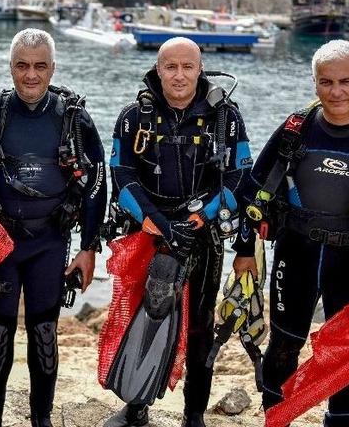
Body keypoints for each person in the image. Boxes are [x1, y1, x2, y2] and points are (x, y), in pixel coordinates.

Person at [233, 39, 349, 427]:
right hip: (295, 252)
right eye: (326, 82)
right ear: (315, 84)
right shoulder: (297, 128)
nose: (336, 91)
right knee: (283, 345)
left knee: (347, 354)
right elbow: (253, 190)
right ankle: (276, 419)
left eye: (346, 81)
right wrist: (244, 250)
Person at [0, 29, 106, 427]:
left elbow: (97, 182)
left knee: (44, 335)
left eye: (40, 66)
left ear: (53, 68)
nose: (31, 75)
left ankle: (42, 420)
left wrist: (88, 248)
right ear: (11, 68)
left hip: (50, 241)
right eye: (23, 65)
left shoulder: (73, 119)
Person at [104, 37, 252, 427]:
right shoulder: (133, 117)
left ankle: (194, 415)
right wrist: (160, 224)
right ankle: (136, 407)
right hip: (150, 232)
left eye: (188, 66)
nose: (179, 75)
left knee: (202, 327)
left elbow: (240, 177)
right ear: (158, 69)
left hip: (202, 235)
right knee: (144, 314)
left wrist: (198, 220)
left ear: (200, 69)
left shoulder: (227, 118)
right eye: (171, 67)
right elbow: (121, 176)